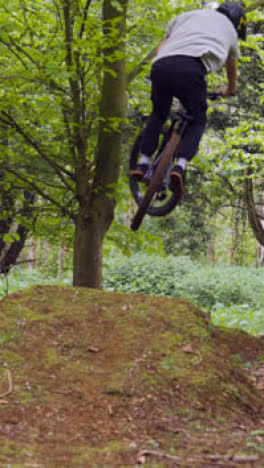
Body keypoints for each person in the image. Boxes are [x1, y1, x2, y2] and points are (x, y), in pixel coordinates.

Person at [130, 2, 247, 195]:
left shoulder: (188, 16)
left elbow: (162, 48)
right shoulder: (231, 32)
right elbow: (231, 67)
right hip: (191, 69)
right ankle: (180, 167)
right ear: (236, 22)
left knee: (159, 112)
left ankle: (142, 164)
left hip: (161, 66)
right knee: (198, 119)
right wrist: (230, 89)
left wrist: (162, 69)